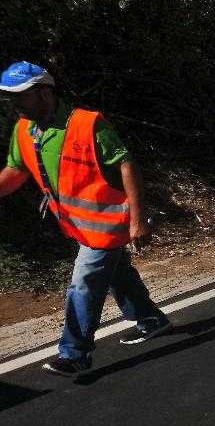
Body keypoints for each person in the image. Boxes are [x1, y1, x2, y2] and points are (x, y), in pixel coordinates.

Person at [0, 62, 171, 377]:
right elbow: (16, 169)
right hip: (79, 225)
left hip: (108, 224)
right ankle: (150, 318)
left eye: (21, 95)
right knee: (117, 272)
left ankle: (76, 353)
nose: (15, 103)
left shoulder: (87, 124)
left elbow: (126, 166)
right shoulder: (25, 129)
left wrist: (137, 220)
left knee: (84, 284)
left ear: (45, 92)